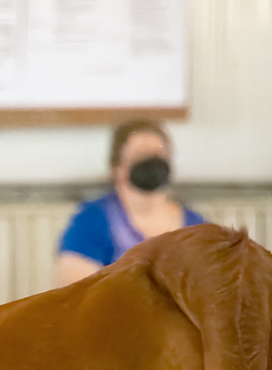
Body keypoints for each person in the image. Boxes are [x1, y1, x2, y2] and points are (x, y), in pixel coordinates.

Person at [56, 119, 205, 286]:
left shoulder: (196, 226)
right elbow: (78, 295)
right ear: (117, 168)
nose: (151, 162)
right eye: (140, 154)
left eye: (158, 155)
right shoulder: (90, 222)